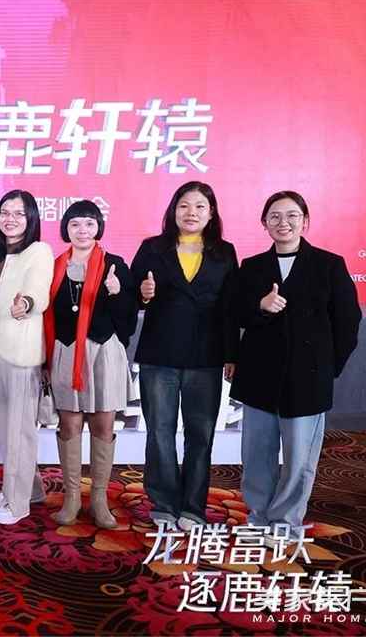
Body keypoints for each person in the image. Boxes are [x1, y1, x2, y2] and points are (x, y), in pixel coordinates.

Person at [231, 191, 361, 543]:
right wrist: (260, 306)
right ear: (264, 223)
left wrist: (327, 367)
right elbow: (233, 314)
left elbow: (348, 320)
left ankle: (286, 522)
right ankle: (258, 517)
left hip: (308, 379)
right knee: (256, 455)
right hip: (259, 376)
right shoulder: (252, 267)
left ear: (305, 221)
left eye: (291, 215)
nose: (283, 222)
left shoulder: (329, 264)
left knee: (299, 458)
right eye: (274, 216)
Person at [130, 181, 239, 532]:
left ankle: (193, 507)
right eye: (184, 206)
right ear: (173, 210)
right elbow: (130, 294)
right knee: (159, 432)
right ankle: (163, 502)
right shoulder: (152, 247)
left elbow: (230, 308)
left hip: (206, 356)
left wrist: (231, 354)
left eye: (199, 206)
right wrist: (143, 294)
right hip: (160, 354)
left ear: (211, 213)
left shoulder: (224, 252)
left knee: (200, 434)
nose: (191, 213)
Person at [44, 200, 138, 529]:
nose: (82, 230)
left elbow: (127, 323)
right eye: (75, 224)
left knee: (103, 426)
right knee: (69, 426)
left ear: (98, 227)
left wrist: (117, 293)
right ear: (65, 229)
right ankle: (71, 498)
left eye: (89, 223)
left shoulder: (115, 265)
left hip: (103, 354)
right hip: (66, 353)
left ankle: (99, 500)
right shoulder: (53, 266)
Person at [0, 190, 53, 525]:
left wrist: (27, 303)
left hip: (22, 352)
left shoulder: (39, 251)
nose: (10, 219)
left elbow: (39, 290)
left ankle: (17, 502)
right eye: (5, 212)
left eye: (19, 214)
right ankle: (30, 489)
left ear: (31, 218)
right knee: (8, 428)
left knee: (20, 431)